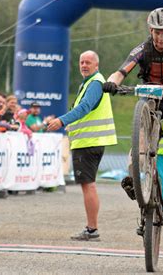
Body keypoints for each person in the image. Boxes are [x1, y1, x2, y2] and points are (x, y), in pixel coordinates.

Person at [103, 7, 163, 223]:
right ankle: (135, 181)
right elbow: (121, 71)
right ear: (150, 30)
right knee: (139, 144)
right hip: (149, 100)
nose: (160, 37)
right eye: (157, 32)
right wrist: (112, 82)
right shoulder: (142, 49)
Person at [47, 50, 117, 241]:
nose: (84, 65)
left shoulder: (95, 83)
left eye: (88, 62)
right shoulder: (89, 83)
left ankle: (92, 229)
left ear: (97, 65)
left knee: (88, 185)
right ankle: (91, 228)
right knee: (88, 185)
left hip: (89, 142)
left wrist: (61, 121)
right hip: (88, 141)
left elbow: (84, 108)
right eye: (81, 62)